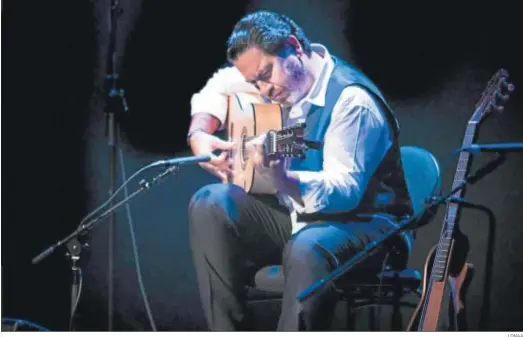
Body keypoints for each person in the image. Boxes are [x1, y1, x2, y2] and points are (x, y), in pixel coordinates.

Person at [186, 10, 413, 331]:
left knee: (308, 246)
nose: (263, 90)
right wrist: (199, 134)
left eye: (265, 74)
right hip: (303, 218)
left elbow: (344, 192)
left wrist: (285, 180)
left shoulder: (351, 100)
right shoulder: (273, 73)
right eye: (253, 82)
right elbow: (219, 85)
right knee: (210, 203)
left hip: (369, 225)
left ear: (294, 46)